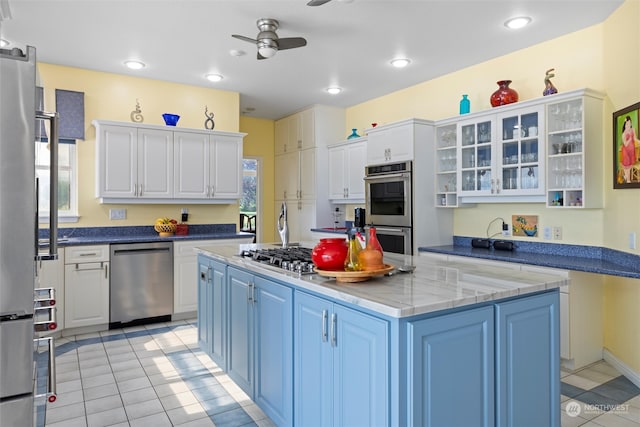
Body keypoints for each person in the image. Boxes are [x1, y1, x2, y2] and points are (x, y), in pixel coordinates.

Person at [620, 115, 640, 182]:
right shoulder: (623, 134)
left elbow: (635, 138)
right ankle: (628, 180)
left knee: (629, 166)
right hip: (626, 151)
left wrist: (639, 141)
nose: (629, 124)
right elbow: (625, 144)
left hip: (631, 151)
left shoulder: (632, 130)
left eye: (630, 123)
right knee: (627, 166)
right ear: (625, 124)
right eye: (627, 123)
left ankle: (626, 176)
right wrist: (629, 139)